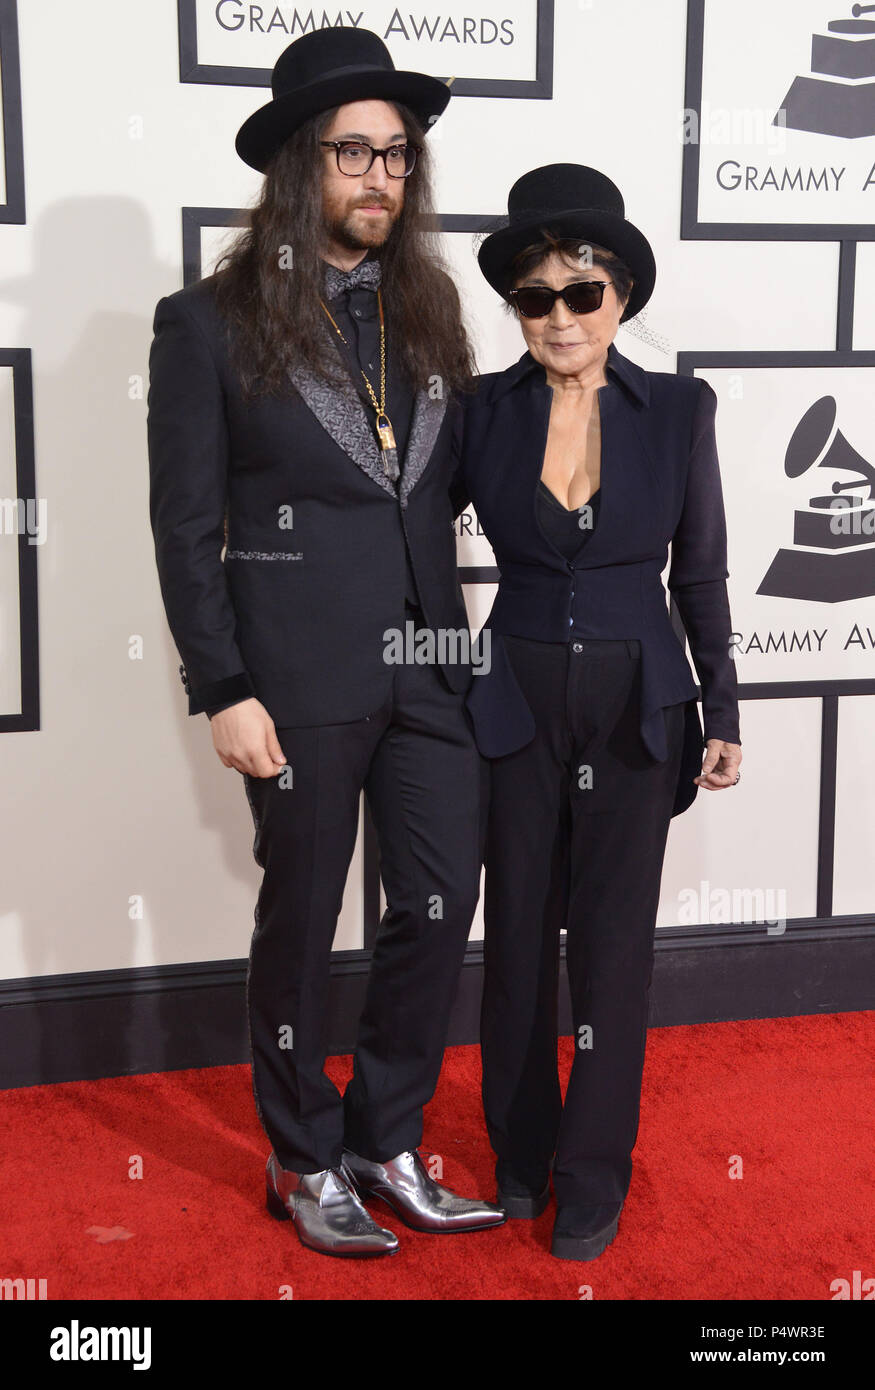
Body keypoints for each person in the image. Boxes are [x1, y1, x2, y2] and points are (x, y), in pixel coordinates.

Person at [146, 27, 505, 1258]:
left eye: (398, 157)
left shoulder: (428, 304)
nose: (380, 179)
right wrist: (222, 684)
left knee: (439, 897)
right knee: (302, 919)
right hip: (293, 677)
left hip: (430, 666)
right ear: (303, 164)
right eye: (355, 152)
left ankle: (381, 1135)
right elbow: (187, 523)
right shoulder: (209, 322)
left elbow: (446, 481)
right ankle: (301, 1159)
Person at [451, 163, 742, 1261]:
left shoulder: (676, 407)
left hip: (638, 706)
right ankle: (518, 1156)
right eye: (535, 296)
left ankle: (590, 1171)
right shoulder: (476, 408)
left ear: (619, 297)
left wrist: (722, 704)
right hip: (511, 701)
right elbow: (408, 550)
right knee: (516, 937)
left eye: (581, 293)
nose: (559, 317)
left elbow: (700, 571)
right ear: (514, 307)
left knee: (613, 949)